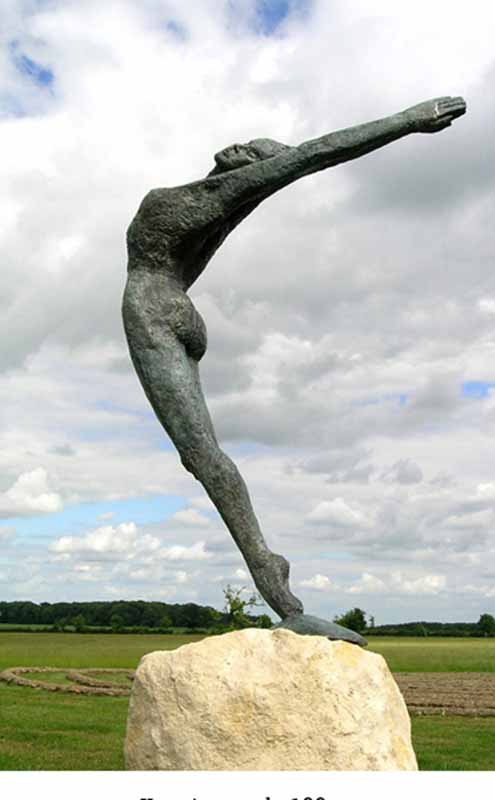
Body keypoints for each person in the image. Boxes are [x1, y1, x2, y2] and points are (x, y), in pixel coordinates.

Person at [122, 96, 467, 626]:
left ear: (245, 165)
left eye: (253, 154)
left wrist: (406, 121)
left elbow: (312, 156)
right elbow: (302, 160)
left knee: (204, 458)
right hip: (179, 311)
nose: (242, 149)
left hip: (153, 308)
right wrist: (403, 124)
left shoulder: (171, 204)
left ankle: (278, 591)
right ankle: (274, 579)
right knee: (206, 458)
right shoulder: (196, 205)